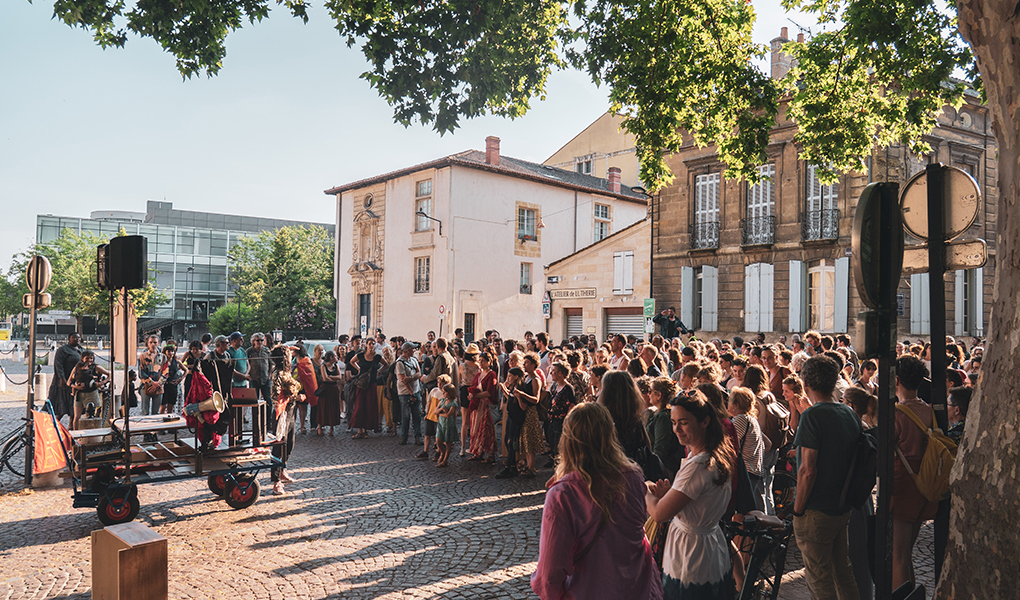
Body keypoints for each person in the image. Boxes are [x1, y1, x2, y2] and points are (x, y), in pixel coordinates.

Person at [532, 403, 663, 600]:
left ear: (567, 440)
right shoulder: (633, 477)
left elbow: (550, 573)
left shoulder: (563, 494)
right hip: (637, 589)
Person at [645, 388, 736, 599]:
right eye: (673, 422)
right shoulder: (714, 454)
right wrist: (670, 495)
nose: (676, 429)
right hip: (709, 547)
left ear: (704, 422)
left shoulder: (698, 465)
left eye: (683, 422)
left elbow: (659, 514)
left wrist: (644, 489)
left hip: (691, 554)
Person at [791, 355, 862, 600]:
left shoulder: (812, 415)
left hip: (816, 509)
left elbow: (808, 470)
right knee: (843, 573)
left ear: (805, 382)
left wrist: (797, 509)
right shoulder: (848, 412)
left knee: (819, 579)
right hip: (840, 505)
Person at [891, 355, 938, 590]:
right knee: (906, 552)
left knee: (898, 556)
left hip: (903, 485)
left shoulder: (897, 414)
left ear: (896, 380)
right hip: (925, 484)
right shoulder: (929, 410)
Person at [269, 346, 299, 495]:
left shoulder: (286, 372)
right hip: (282, 412)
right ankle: (276, 482)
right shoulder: (278, 373)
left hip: (290, 411)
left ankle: (282, 470)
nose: (290, 357)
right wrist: (294, 395)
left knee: (289, 444)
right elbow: (275, 395)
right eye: (288, 355)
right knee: (279, 446)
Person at [647, 376, 684, 480]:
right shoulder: (659, 413)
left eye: (650, 391)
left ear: (659, 395)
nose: (648, 394)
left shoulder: (663, 417)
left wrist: (651, 470)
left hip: (663, 470)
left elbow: (660, 449)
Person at [545, 362, 577, 467]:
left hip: (560, 423)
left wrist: (566, 420)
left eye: (553, 371)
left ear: (560, 373)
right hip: (552, 421)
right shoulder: (557, 387)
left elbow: (572, 405)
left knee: (559, 449)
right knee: (554, 448)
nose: (551, 373)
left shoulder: (568, 388)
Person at [468, 350, 498, 462]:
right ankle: (478, 452)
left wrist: (475, 395)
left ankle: (491, 454)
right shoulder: (478, 374)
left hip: (486, 406)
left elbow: (490, 392)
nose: (481, 363)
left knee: (487, 430)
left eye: (483, 361)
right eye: (480, 361)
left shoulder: (492, 374)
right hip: (477, 406)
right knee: (476, 429)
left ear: (489, 362)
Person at [68, 349, 110, 429]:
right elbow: (69, 382)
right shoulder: (77, 368)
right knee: (76, 416)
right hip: (79, 394)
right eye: (87, 358)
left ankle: (91, 431)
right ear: (82, 358)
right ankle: (76, 433)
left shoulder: (96, 367)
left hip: (92, 393)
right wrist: (75, 387)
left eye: (91, 358)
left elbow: (109, 375)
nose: (89, 360)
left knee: (91, 415)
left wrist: (101, 383)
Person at [349, 339, 382, 439]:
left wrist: (378, 371)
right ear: (366, 345)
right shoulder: (360, 355)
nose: (371, 345)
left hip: (372, 383)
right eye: (369, 344)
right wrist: (358, 369)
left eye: (373, 344)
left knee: (369, 406)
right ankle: (359, 430)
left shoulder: (377, 357)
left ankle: (366, 430)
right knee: (359, 406)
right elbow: (352, 361)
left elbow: (386, 365)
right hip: (362, 384)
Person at [48, 331, 83, 423]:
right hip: (64, 379)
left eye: (78, 337)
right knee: (62, 405)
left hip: (76, 380)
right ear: (69, 339)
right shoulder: (63, 350)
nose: (77, 339)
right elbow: (58, 365)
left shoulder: (81, 349)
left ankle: (71, 425)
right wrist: (62, 378)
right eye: (74, 337)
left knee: (73, 405)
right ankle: (53, 425)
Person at [395, 341, 424, 446]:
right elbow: (403, 380)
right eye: (413, 349)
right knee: (405, 416)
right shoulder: (399, 363)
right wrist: (411, 393)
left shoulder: (414, 360)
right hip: (405, 393)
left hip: (416, 390)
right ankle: (404, 437)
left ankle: (418, 437)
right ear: (408, 350)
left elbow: (419, 373)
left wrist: (411, 377)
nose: (414, 350)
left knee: (417, 416)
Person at [420, 374, 450, 460]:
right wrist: (427, 414)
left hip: (440, 418)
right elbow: (429, 402)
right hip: (431, 416)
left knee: (439, 437)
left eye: (441, 383)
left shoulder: (446, 394)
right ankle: (425, 451)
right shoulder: (434, 391)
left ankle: (439, 451)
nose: (439, 385)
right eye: (438, 383)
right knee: (427, 435)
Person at [317, 350, 343, 436]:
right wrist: (333, 379)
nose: (337, 357)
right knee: (323, 407)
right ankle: (320, 426)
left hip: (334, 389)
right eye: (335, 356)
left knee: (333, 407)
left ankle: (332, 428)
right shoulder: (323, 366)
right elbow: (325, 378)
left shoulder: (336, 366)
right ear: (331, 358)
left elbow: (340, 377)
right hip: (325, 389)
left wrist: (330, 377)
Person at [435, 383, 459, 467]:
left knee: (448, 443)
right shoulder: (442, 401)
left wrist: (440, 414)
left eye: (445, 392)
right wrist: (441, 409)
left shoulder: (453, 403)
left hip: (449, 425)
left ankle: (445, 460)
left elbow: (448, 415)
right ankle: (442, 453)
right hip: (441, 424)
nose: (443, 393)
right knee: (438, 441)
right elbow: (435, 411)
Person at [160, 343, 186, 414]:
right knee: (162, 406)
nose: (171, 353)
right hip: (164, 385)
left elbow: (186, 370)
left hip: (173, 385)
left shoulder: (177, 361)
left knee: (170, 407)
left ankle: (169, 419)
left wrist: (180, 379)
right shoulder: (162, 361)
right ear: (165, 352)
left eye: (172, 351)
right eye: (169, 351)